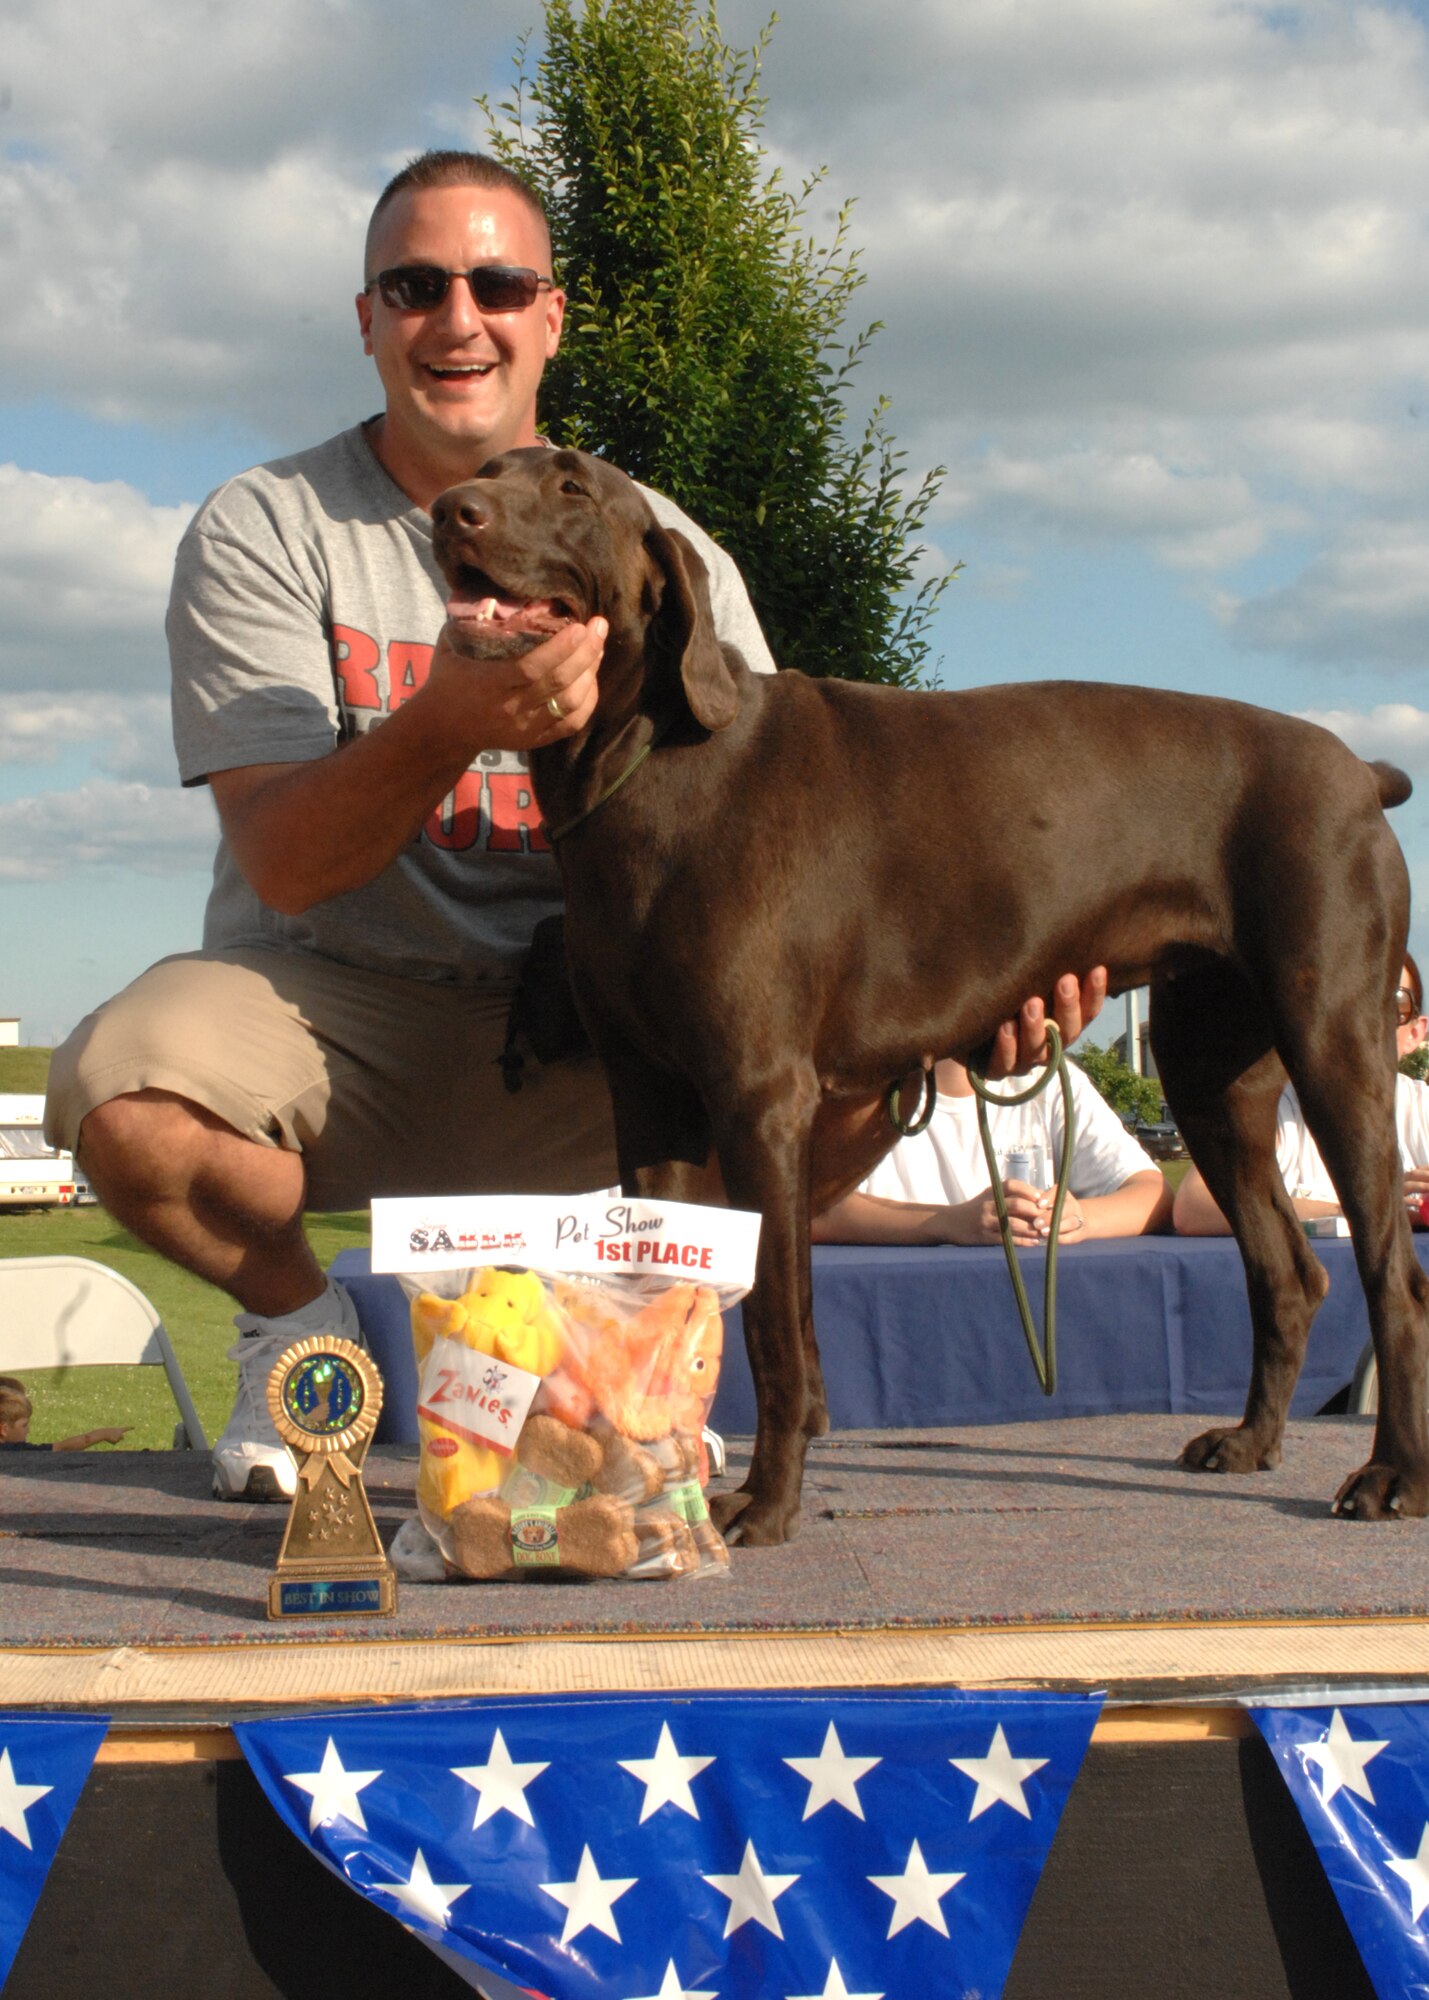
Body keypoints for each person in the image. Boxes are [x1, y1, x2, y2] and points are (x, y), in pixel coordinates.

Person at [44, 149, 1106, 1503]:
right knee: (125, 1087)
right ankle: (302, 1337)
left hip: (604, 1027)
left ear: (551, 317)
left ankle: (647, 1368)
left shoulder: (668, 550)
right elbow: (290, 860)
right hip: (339, 1017)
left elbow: (787, 857)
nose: (458, 317)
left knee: (848, 1061)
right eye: (415, 285)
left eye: (499, 283)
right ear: (367, 319)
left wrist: (976, 994)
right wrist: (454, 718)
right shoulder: (268, 526)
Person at [1173, 955, 1429, 1233]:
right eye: (1344, 998)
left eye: (1391, 1004)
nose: (1362, 1020)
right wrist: (1359, 1210)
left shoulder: (1421, 1110)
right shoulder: (1276, 1110)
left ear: (1416, 1033)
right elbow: (1194, 1207)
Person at [813, 1056, 1170, 1245]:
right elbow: (808, 1211)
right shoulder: (862, 1089)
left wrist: (1076, 1219)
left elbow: (1152, 1194)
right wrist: (948, 1223)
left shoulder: (1051, 1082)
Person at [0, 1377, 130, 1453]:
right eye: (24, 1425)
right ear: (4, 1429)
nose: (28, 1430)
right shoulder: (18, 1451)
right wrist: (104, 1434)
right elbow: (63, 1447)